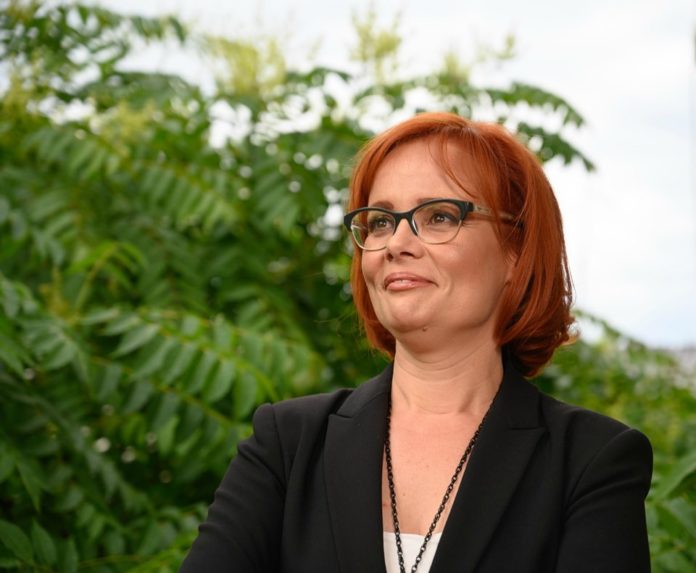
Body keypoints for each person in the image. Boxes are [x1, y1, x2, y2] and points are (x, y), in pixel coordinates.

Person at [180, 112, 653, 573]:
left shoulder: (592, 460)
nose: (395, 244)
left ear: (516, 252)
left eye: (439, 216)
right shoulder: (287, 444)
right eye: (380, 222)